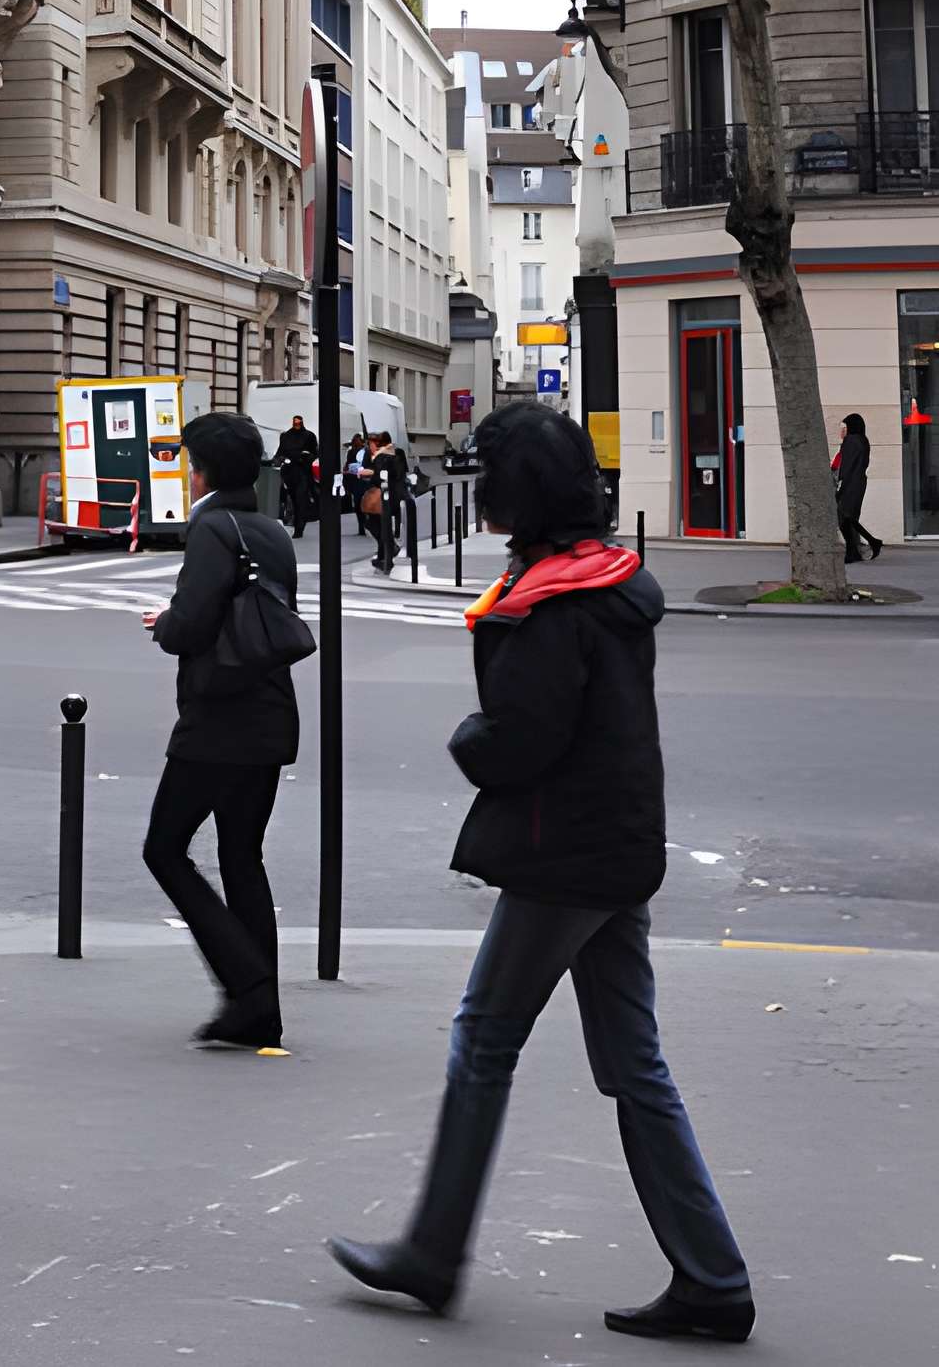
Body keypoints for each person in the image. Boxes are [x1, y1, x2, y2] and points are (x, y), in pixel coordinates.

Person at [329, 401, 753, 1345]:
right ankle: (714, 1277)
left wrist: (469, 739)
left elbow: (523, 739)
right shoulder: (608, 582)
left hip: (564, 853)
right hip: (618, 845)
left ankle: (433, 1255)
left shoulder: (555, 602)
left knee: (483, 1040)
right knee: (635, 1066)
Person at [141, 411, 299, 1050]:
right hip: (268, 712)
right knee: (242, 856)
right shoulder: (271, 530)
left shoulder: (209, 529)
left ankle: (248, 982)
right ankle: (259, 1010)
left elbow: (195, 624)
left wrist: (166, 624)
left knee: (164, 848)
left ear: (200, 469)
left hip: (217, 720)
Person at [834, 413, 881, 566]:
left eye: (844, 428)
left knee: (844, 518)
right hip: (858, 482)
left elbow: (846, 466)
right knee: (850, 518)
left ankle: (855, 550)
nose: (842, 432)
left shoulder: (850, 441)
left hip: (850, 484)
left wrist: (840, 485)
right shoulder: (862, 440)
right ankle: (865, 545)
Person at [273, 414, 319, 537]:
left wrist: (305, 458)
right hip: (289, 472)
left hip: (303, 471)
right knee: (293, 499)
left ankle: (299, 527)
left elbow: (315, 453)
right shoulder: (286, 436)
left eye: (299, 423)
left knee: (300, 499)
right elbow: (280, 452)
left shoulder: (309, 436)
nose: (297, 425)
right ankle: (297, 523)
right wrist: (280, 459)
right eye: (295, 423)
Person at [358, 431, 397, 573]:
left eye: (373, 443)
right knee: (379, 525)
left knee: (379, 525)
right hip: (379, 493)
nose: (371, 445)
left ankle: (387, 555)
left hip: (383, 494)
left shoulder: (386, 455)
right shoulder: (376, 455)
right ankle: (386, 553)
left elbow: (382, 475)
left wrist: (370, 473)